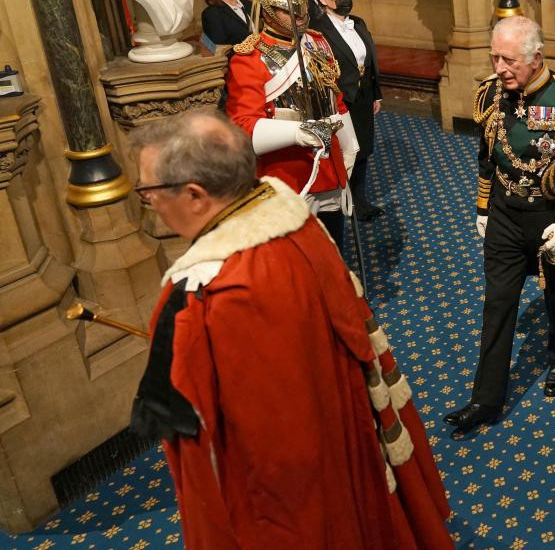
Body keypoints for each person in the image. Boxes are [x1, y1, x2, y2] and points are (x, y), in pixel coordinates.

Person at [127, 109, 451, 549]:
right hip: (344, 436)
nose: (150, 203)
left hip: (284, 501)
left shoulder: (202, 293)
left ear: (195, 195)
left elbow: (200, 454)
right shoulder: (299, 220)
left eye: (148, 191)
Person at [444, 16, 555, 433]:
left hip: (551, 217)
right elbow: (487, 155)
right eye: (494, 57)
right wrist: (483, 208)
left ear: (536, 58)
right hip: (504, 215)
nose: (500, 68)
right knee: (498, 303)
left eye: (508, 60)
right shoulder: (489, 93)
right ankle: (485, 399)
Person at [223, 0, 358, 247]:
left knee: (334, 251)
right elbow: (243, 127)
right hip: (287, 176)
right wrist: (299, 133)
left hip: (330, 169)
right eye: (289, 12)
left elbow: (335, 99)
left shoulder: (318, 42)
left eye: (302, 11)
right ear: (270, 11)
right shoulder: (250, 57)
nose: (299, 18)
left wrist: (349, 144)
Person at [313, 0, 383, 221]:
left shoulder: (359, 23)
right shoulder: (318, 30)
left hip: (363, 95)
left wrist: (376, 94)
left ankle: (360, 201)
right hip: (339, 100)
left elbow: (370, 61)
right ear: (323, 0)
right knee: (345, 151)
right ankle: (341, 200)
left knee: (363, 149)